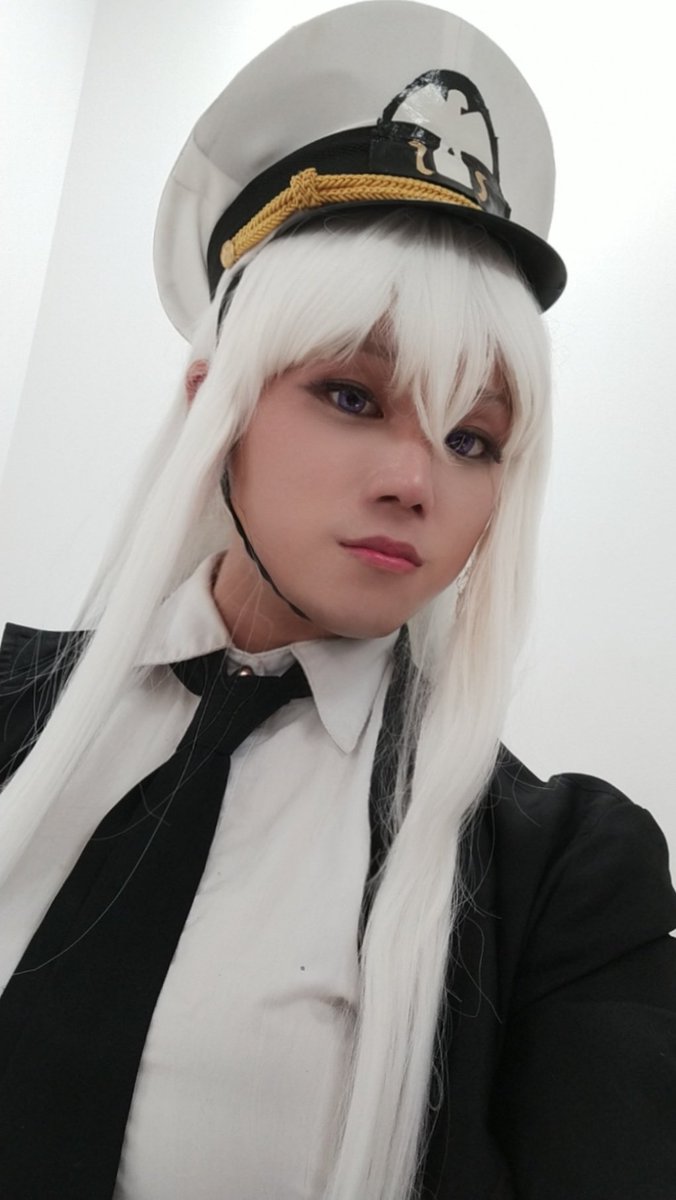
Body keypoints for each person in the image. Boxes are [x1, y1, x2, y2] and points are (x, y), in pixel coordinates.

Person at [0, 4, 674, 1199]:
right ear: (215, 405)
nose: (417, 481)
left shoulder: (565, 877)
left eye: (473, 438)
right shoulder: (11, 706)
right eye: (354, 397)